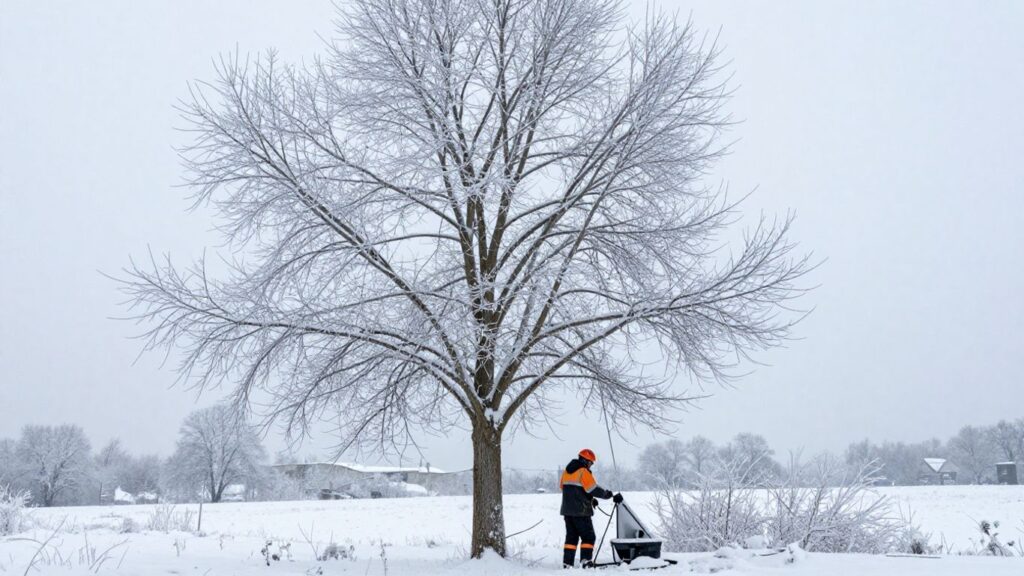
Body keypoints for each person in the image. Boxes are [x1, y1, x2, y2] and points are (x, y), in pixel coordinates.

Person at [559, 448, 623, 568]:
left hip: (567, 512)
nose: (591, 465)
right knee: (588, 537)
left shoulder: (566, 472)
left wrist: (589, 498)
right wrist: (607, 494)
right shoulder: (583, 471)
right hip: (581, 512)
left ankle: (567, 564)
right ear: (585, 460)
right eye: (590, 463)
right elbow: (593, 489)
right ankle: (586, 561)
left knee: (571, 538)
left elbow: (565, 488)